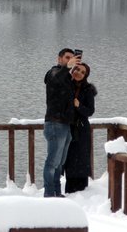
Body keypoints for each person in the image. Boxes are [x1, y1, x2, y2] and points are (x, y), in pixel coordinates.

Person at [42, 48, 81, 197]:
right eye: (66, 57)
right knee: (52, 162)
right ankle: (49, 193)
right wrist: (67, 67)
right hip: (54, 124)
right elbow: (54, 78)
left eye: (72, 58)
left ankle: (57, 192)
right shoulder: (53, 73)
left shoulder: (67, 78)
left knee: (59, 163)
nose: (69, 60)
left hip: (65, 125)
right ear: (59, 59)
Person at [62, 62, 97, 193]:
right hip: (68, 128)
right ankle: (70, 190)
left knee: (81, 159)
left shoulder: (88, 90)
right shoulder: (67, 85)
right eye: (78, 70)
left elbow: (90, 111)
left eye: (83, 72)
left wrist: (78, 105)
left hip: (81, 130)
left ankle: (82, 191)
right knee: (69, 159)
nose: (79, 73)